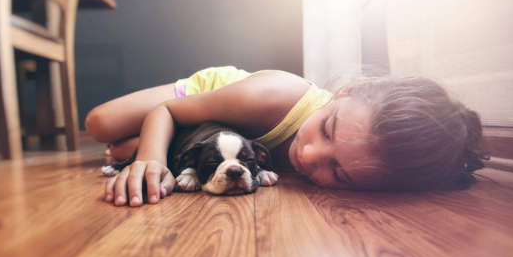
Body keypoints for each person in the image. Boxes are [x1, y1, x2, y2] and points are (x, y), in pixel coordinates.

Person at [85, 66, 488, 207]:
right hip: (208, 98)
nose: (309, 155)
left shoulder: (374, 168)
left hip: (214, 140)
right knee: (99, 124)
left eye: (340, 172)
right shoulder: (270, 95)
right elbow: (166, 111)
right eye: (327, 128)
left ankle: (135, 144)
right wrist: (150, 161)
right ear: (346, 92)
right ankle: (140, 144)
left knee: (122, 145)